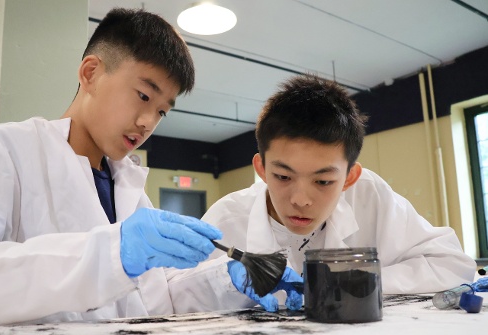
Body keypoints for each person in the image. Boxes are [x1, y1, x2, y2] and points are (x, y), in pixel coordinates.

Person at [0, 8, 224, 326]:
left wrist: (226, 281)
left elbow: (156, 300)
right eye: (144, 95)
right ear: (90, 74)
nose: (148, 123)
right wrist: (105, 257)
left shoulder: (129, 189)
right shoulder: (4, 151)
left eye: (162, 112)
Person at [187, 74, 477, 313]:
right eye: (283, 176)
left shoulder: (368, 195)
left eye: (323, 181)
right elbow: (177, 300)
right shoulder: (227, 218)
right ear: (261, 168)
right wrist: (223, 284)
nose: (301, 199)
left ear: (350, 177)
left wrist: (359, 281)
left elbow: (453, 265)